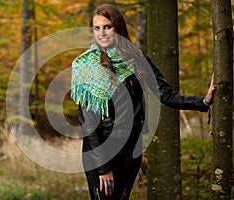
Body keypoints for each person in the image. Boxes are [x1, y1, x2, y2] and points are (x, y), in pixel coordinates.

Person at [70, 4, 216, 200]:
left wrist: (203, 101)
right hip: (102, 153)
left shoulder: (136, 59)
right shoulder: (86, 66)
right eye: (97, 28)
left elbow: (166, 95)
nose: (102, 33)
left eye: (107, 26)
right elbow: (88, 124)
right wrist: (103, 169)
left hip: (131, 152)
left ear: (119, 28)